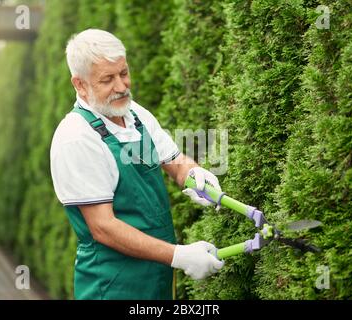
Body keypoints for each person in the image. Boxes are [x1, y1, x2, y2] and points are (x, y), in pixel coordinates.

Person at [50, 29, 224, 300]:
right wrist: (179, 254)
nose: (121, 86)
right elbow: (103, 227)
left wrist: (194, 174)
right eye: (107, 79)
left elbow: (175, 162)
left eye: (123, 73)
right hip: (112, 285)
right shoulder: (76, 138)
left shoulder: (135, 115)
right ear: (80, 85)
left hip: (158, 277)